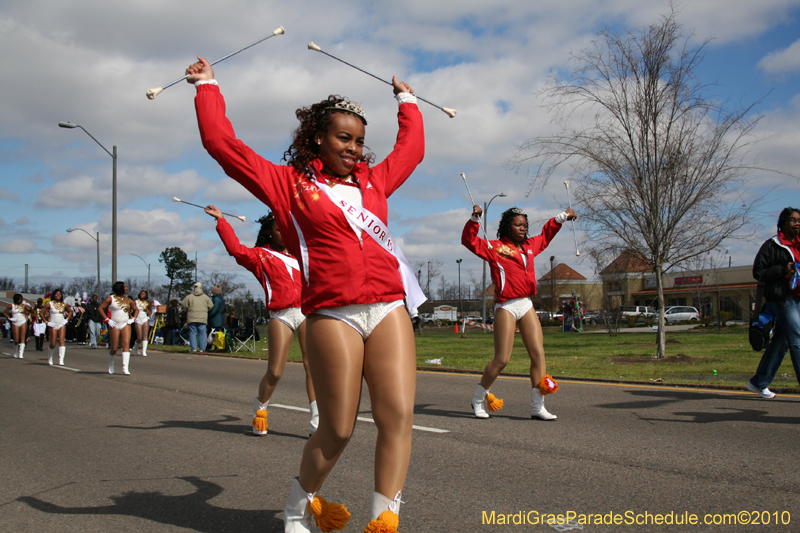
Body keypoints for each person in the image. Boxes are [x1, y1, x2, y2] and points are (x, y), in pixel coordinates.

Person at [188, 56, 424, 532]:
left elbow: (411, 151)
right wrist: (208, 87)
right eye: (344, 138)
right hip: (332, 313)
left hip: (388, 306)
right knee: (337, 428)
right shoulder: (287, 184)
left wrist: (407, 101)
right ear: (318, 136)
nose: (355, 149)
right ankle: (300, 505)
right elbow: (222, 144)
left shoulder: (374, 182)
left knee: (397, 416)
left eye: (360, 141)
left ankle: (384, 521)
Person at [205, 206, 318, 436]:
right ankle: (261, 411)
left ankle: (316, 423)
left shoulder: (301, 253)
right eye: (278, 229)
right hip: (281, 315)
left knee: (313, 368)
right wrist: (221, 222)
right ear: (268, 232)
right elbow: (236, 250)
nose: (284, 233)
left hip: (307, 312)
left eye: (286, 229)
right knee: (275, 372)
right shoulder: (260, 256)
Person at [462, 205, 576, 421]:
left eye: (524, 225)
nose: (523, 228)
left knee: (538, 353)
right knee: (502, 359)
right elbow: (469, 241)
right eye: (518, 225)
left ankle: (537, 406)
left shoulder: (531, 245)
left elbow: (546, 234)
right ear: (508, 227)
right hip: (506, 305)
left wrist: (562, 217)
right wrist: (474, 221)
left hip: (525, 303)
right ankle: (478, 399)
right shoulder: (495, 248)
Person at [747, 207, 800, 398]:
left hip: (798, 297)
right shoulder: (772, 245)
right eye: (793, 220)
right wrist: (782, 269)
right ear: (783, 223)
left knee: (782, 341)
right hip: (782, 299)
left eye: (799, 220)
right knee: (797, 338)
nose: (797, 223)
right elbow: (758, 272)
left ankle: (758, 382)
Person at [98, 281, 138, 374]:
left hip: (125, 324)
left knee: (126, 345)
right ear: (120, 288)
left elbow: (136, 309)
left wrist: (133, 319)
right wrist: (108, 320)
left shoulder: (128, 300)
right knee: (114, 348)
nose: (126, 288)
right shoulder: (110, 299)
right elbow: (100, 308)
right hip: (114, 324)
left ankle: (125, 368)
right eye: (125, 287)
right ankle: (111, 364)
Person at [41, 288, 72, 366]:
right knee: (53, 343)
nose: (58, 295)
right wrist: (46, 322)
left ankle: (61, 359)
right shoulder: (50, 304)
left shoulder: (64, 304)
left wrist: (67, 319)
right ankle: (50, 357)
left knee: (62, 341)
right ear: (53, 295)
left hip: (61, 323)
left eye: (59, 294)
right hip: (53, 324)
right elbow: (41, 312)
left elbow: (70, 311)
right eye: (56, 294)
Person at [181, 282, 213, 353]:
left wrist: (187, 308)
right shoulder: (205, 297)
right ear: (201, 288)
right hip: (202, 318)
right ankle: (202, 349)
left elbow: (183, 303)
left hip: (192, 317)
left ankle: (193, 348)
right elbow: (211, 305)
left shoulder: (189, 297)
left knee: (193, 333)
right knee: (202, 334)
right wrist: (206, 310)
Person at [2, 293, 32, 359]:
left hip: (23, 321)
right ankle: (15, 351)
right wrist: (9, 318)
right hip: (15, 322)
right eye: (18, 299)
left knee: (22, 338)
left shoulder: (24, 306)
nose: (19, 300)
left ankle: (21, 353)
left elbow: (30, 310)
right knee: (16, 339)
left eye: (21, 299)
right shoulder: (11, 306)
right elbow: (4, 312)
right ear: (15, 299)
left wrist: (31, 308)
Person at [132, 290, 152, 356]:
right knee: (139, 337)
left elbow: (150, 310)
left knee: (145, 336)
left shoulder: (147, 303)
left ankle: (144, 351)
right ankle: (136, 347)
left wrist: (149, 317)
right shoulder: (136, 302)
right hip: (138, 319)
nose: (142, 295)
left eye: (144, 294)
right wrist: (132, 317)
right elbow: (131, 309)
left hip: (145, 318)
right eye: (141, 294)